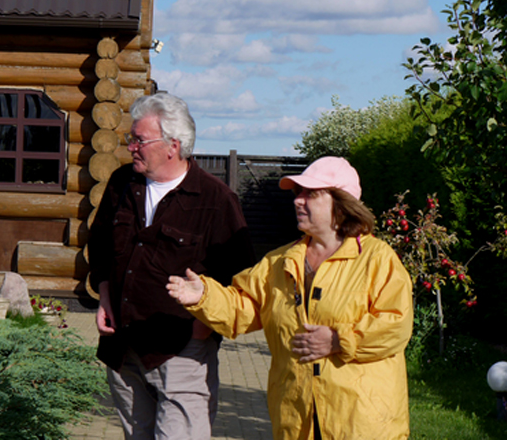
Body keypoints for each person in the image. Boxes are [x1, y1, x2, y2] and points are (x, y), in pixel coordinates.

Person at [167, 156, 413, 440]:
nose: (298, 201)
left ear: (341, 203)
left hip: (360, 421)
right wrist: (205, 296)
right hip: (296, 418)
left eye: (311, 194)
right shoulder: (279, 262)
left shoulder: (378, 260)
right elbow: (243, 308)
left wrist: (338, 340)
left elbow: (395, 325)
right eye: (298, 193)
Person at [88, 92, 256, 440]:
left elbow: (242, 278)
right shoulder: (122, 183)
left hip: (181, 352)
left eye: (139, 140)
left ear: (172, 146)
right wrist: (104, 293)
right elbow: (100, 244)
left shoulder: (215, 201)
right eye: (130, 138)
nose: (130, 147)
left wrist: (203, 331)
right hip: (124, 348)